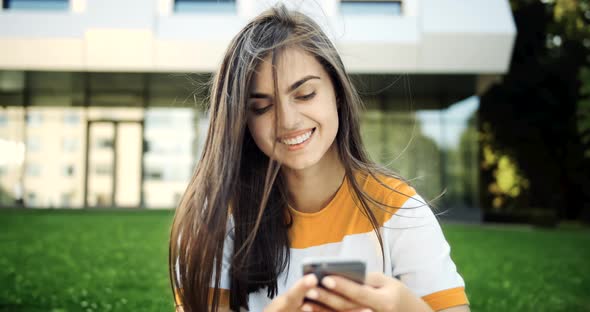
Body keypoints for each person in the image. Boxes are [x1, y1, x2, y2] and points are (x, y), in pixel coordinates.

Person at [169, 4, 470, 312]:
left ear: (336, 91)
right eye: (261, 107)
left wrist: (407, 307)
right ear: (241, 119)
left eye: (305, 94)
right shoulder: (217, 217)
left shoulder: (399, 210)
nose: (288, 121)